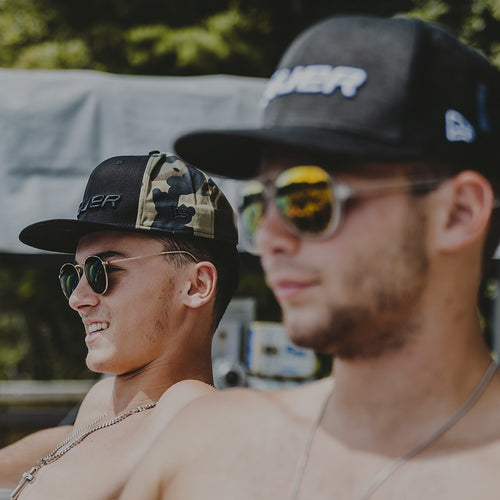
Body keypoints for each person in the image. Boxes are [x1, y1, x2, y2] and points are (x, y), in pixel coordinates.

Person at [121, 15, 500, 500]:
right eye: (258, 202)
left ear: (458, 213)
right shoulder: (204, 446)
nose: (268, 237)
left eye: (309, 198)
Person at [0, 150, 239, 499]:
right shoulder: (103, 405)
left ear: (195, 285)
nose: (77, 298)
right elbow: (67, 440)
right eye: (74, 275)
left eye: (103, 271)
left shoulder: (191, 410)